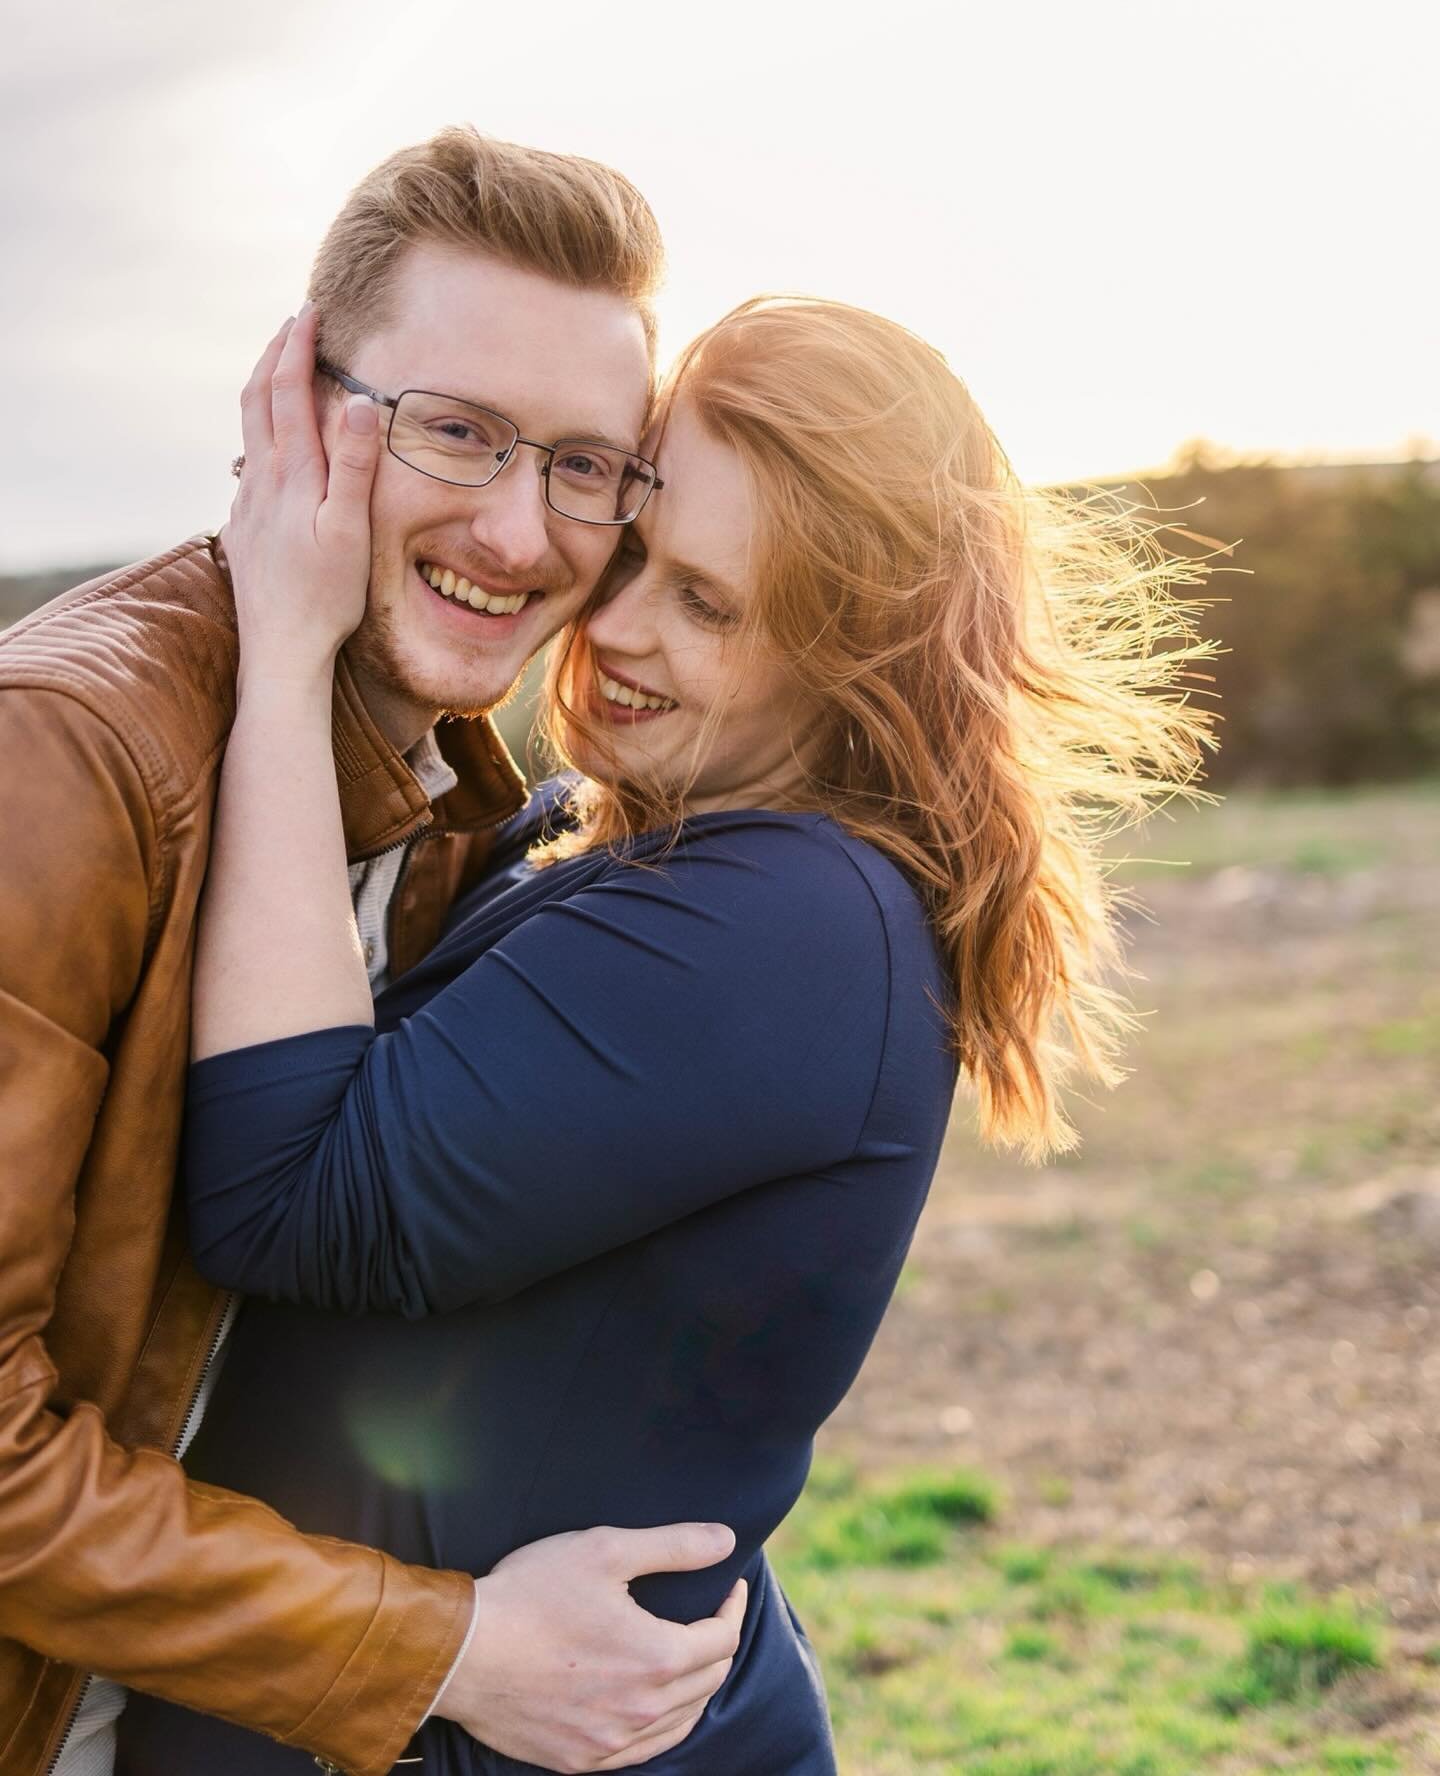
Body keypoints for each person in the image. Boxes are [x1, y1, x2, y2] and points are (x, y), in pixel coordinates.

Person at [116, 296, 1213, 1772]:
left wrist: (289, 644)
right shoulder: (622, 828)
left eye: (709, 603)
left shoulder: (800, 921)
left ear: (852, 658)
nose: (619, 627)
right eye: (632, 550)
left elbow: (284, 1197)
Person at [0, 127, 746, 1776]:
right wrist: (449, 1647)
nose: (517, 533)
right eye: (458, 433)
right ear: (302, 406)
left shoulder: (446, 794)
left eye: (583, 464)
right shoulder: (59, 763)